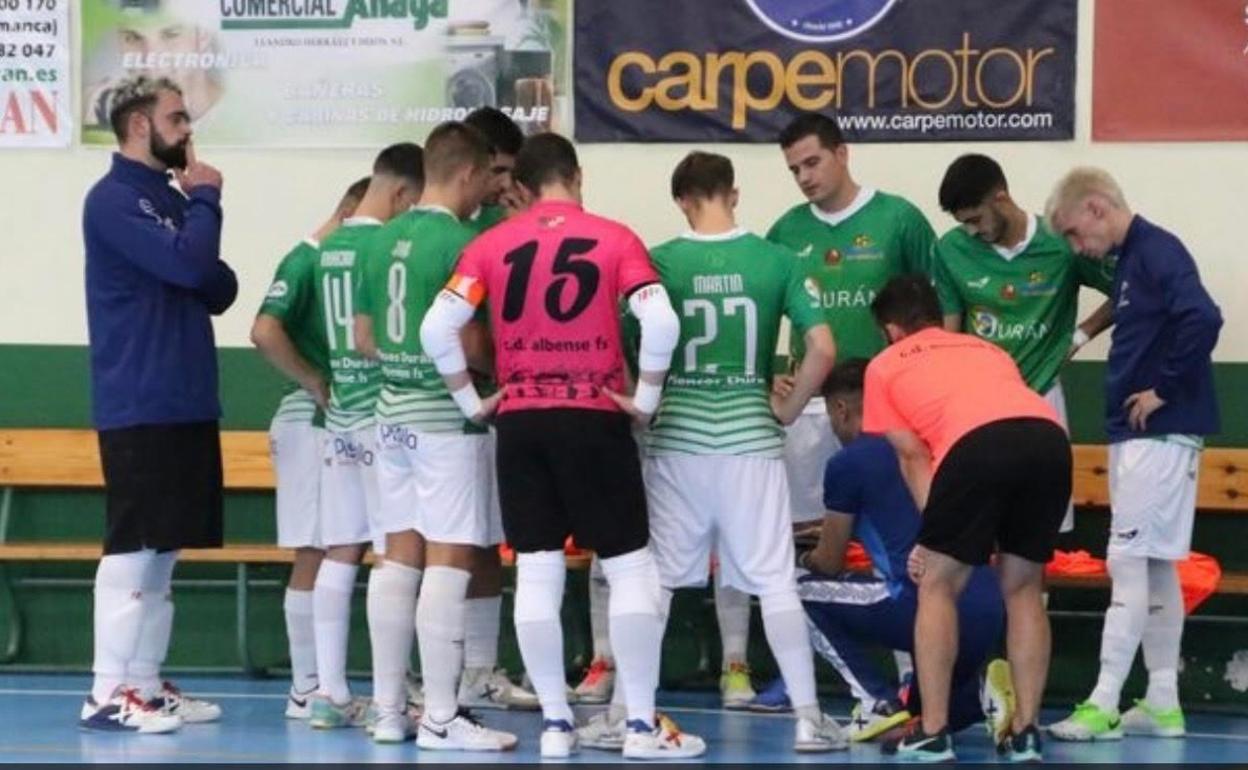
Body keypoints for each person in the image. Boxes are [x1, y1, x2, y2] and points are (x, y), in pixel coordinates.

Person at [419, 132, 706, 760]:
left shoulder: (488, 245)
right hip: (593, 416)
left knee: (538, 571)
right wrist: (649, 398)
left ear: (519, 186)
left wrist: (473, 403)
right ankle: (637, 727)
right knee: (630, 567)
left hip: (520, 422)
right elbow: (660, 320)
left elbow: (435, 327)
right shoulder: (615, 237)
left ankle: (554, 724)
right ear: (577, 175)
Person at [590, 151, 848, 753]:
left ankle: (630, 714)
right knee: (775, 581)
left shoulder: (658, 263)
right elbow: (824, 347)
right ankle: (810, 719)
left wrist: (644, 407)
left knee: (655, 585)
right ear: (733, 193)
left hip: (676, 441)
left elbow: (629, 354)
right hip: (751, 443)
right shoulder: (777, 260)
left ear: (681, 199)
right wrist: (785, 408)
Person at [352, 122, 520, 749]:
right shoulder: (462, 242)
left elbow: (366, 338)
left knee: (398, 557)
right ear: (468, 174)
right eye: (487, 177)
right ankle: (444, 717)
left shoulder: (380, 239)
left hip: (388, 415)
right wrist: (492, 373)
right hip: (446, 421)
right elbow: (468, 337)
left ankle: (391, 711)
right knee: (450, 558)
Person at [758, 110, 933, 710]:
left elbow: (926, 309)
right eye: (793, 169)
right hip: (809, 412)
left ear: (842, 153)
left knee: (900, 547)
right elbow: (765, 311)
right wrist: (771, 378)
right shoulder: (783, 232)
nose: (804, 177)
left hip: (884, 411)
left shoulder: (900, 219)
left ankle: (916, 672)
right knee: (797, 544)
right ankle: (797, 672)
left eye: (812, 162)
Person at [80, 75, 235, 733]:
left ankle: (144, 683)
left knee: (164, 551)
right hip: (139, 398)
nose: (187, 129)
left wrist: (194, 220)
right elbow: (191, 270)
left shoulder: (168, 201)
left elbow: (217, 284)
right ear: (140, 125)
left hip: (186, 396)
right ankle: (107, 691)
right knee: (134, 547)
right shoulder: (114, 200)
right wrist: (206, 203)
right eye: (176, 117)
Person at [862, 275, 1071, 761]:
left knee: (938, 585)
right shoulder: (987, 350)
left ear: (891, 330)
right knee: (1022, 588)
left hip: (976, 446)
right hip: (1047, 438)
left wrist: (930, 535)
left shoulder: (885, 364)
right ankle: (1026, 732)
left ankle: (933, 730)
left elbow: (913, 455)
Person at [1045, 168, 1222, 742]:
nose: (1077, 248)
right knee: (1154, 564)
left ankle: (1103, 700)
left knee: (1126, 562)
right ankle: (1164, 700)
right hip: (1143, 435)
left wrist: (1165, 389)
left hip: (1158, 434)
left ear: (1097, 209)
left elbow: (1204, 316)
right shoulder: (1131, 260)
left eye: (1075, 233)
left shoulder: (1157, 250)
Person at [795, 359, 1008, 744]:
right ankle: (985, 694)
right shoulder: (929, 443)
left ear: (841, 409)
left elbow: (829, 561)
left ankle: (877, 702)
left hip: (925, 608)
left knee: (796, 589)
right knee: (934, 717)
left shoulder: (848, 462)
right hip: (988, 609)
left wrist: (803, 556)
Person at [307, 143, 425, 729]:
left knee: (339, 552)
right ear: (403, 195)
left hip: (339, 418)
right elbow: (368, 338)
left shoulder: (328, 247)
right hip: (384, 416)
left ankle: (328, 692)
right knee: (396, 557)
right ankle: (392, 699)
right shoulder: (386, 246)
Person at [934, 153, 1114, 533]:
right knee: (978, 526)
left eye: (975, 220)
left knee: (1039, 530)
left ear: (1000, 198)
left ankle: (1036, 595)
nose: (971, 231)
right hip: (979, 407)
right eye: (962, 223)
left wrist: (1080, 335)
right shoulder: (950, 250)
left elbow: (1127, 289)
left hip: (1041, 401)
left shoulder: (1060, 242)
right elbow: (948, 333)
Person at [251, 177, 369, 719]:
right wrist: (312, 380)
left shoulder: (336, 261)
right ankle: (307, 687)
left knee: (332, 546)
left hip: (331, 421)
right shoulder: (308, 259)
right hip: (310, 421)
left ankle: (317, 684)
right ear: (350, 209)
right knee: (316, 549)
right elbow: (264, 330)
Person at [463, 106, 527, 234]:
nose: (507, 183)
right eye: (497, 171)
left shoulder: (511, 214)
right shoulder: (435, 224)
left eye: (513, 173)